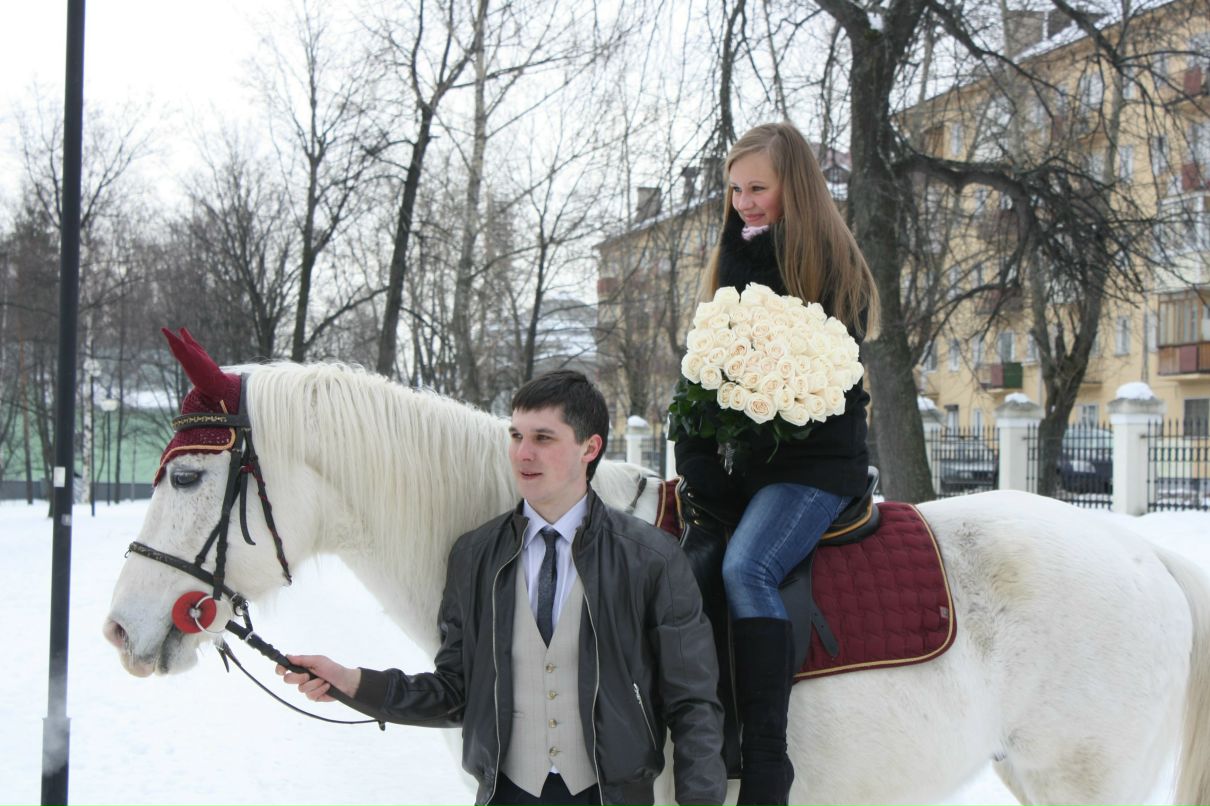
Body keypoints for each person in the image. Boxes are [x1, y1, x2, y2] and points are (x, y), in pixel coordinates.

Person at [279, 369, 727, 806]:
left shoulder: (650, 557)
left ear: (590, 448)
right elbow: (455, 691)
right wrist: (356, 683)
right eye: (516, 436)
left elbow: (693, 704)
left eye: (543, 438)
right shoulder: (475, 556)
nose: (522, 454)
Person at [674, 121, 881, 806]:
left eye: (758, 188)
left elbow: (832, 386)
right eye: (735, 190)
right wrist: (698, 454)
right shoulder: (730, 257)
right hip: (751, 468)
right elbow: (704, 375)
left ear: (794, 186)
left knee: (748, 566)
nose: (745, 203)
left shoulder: (832, 266)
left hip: (816, 466)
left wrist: (765, 415)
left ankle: (767, 757)